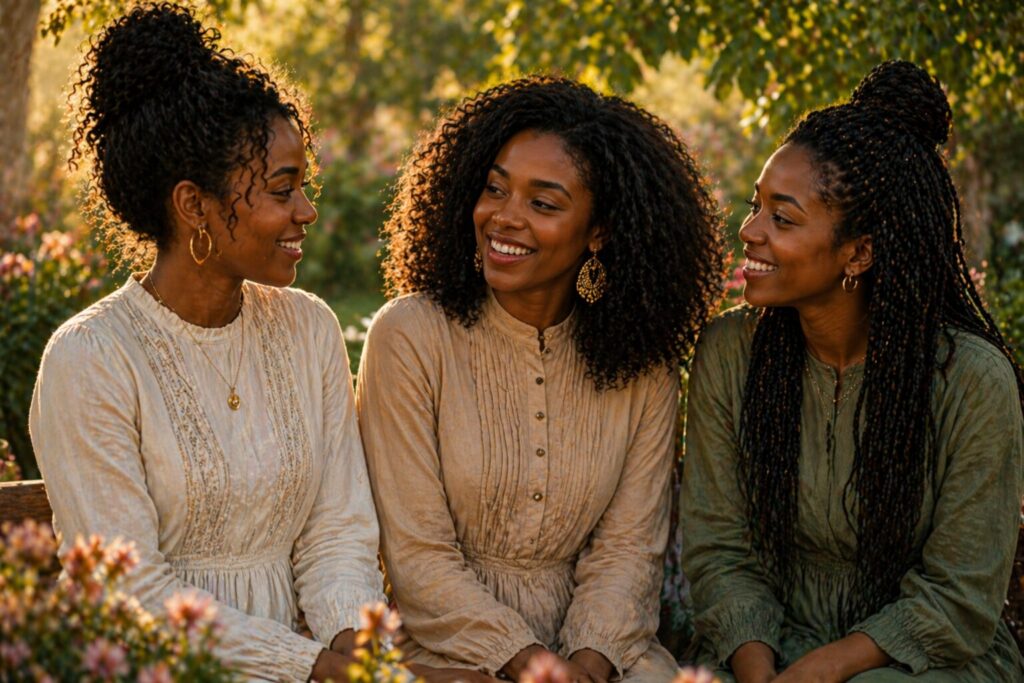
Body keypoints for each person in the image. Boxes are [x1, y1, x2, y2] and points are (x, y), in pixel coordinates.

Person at [29, 5, 384, 681]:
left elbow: (337, 534)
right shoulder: (92, 360)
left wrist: (353, 650)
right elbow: (129, 595)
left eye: (304, 184)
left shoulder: (307, 329)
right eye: (283, 189)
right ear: (193, 205)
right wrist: (306, 664)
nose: (307, 210)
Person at [356, 75, 725, 683]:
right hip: (448, 651)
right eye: (494, 189)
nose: (504, 218)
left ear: (599, 231)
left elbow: (629, 554)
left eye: (543, 204)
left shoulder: (643, 368)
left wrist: (585, 662)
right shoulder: (413, 336)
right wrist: (530, 664)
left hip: (604, 654)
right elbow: (416, 557)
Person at [680, 60, 1024, 682]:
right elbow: (719, 553)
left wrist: (821, 673)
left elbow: (959, 596)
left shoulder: (971, 381)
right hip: (762, 646)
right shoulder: (731, 352)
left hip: (919, 660)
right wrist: (761, 675)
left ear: (859, 252)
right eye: (757, 206)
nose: (749, 230)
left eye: (782, 219)